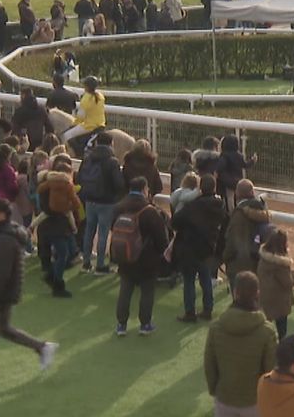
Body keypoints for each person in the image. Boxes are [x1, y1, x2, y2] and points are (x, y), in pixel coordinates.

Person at [0, 200, 58, 377]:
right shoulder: (6, 234)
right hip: (7, 290)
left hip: (2, 291)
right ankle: (42, 347)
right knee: (4, 329)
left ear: (3, 214)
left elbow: (3, 272)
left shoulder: (6, 239)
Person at [204, 271, 278, 417]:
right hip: (254, 400)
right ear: (257, 294)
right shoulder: (267, 331)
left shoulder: (216, 327)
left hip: (225, 396)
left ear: (235, 292)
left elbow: (209, 364)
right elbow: (270, 369)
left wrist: (215, 389)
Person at [112, 176, 169, 336]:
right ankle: (145, 324)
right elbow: (161, 238)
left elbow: (113, 228)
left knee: (125, 289)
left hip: (124, 255)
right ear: (144, 189)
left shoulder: (119, 207)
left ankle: (121, 325)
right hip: (146, 259)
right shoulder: (149, 211)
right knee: (147, 291)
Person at [170, 174, 228, 322]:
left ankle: (190, 312)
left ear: (200, 188)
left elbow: (175, 221)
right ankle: (208, 310)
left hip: (190, 246)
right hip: (208, 247)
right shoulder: (220, 206)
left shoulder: (194, 205)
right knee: (206, 278)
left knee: (189, 280)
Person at [36, 155, 83, 298]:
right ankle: (57, 283)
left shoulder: (46, 185)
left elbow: (42, 201)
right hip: (59, 224)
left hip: (50, 224)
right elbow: (76, 204)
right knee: (64, 253)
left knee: (65, 251)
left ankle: (52, 276)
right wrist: (67, 207)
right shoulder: (65, 186)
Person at [78, 131, 124, 274]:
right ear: (111, 144)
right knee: (103, 233)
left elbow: (79, 177)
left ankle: (86, 263)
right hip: (106, 201)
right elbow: (119, 184)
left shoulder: (87, 158)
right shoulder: (112, 161)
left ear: (96, 143)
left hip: (89, 199)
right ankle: (100, 265)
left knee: (89, 231)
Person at [222, 180, 271, 287]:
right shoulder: (262, 212)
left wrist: (225, 257)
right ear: (252, 193)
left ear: (237, 194)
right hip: (257, 264)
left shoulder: (238, 214)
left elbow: (232, 242)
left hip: (239, 265)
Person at [257, 229, 294, 338]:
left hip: (265, 298)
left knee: (264, 329)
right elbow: (287, 282)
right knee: (282, 332)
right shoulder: (281, 264)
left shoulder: (263, 258)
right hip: (279, 301)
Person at [62, 77, 106, 155]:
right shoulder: (100, 96)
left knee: (66, 135)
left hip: (89, 126)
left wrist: (73, 125)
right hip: (101, 124)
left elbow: (80, 117)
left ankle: (76, 154)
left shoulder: (86, 98)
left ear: (87, 87)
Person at [216, 134, 257, 211]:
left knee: (229, 199)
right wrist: (252, 161)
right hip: (238, 181)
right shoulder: (239, 155)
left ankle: (231, 214)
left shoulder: (224, 156)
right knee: (238, 199)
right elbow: (245, 165)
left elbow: (220, 167)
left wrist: (217, 173)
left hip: (227, 182)